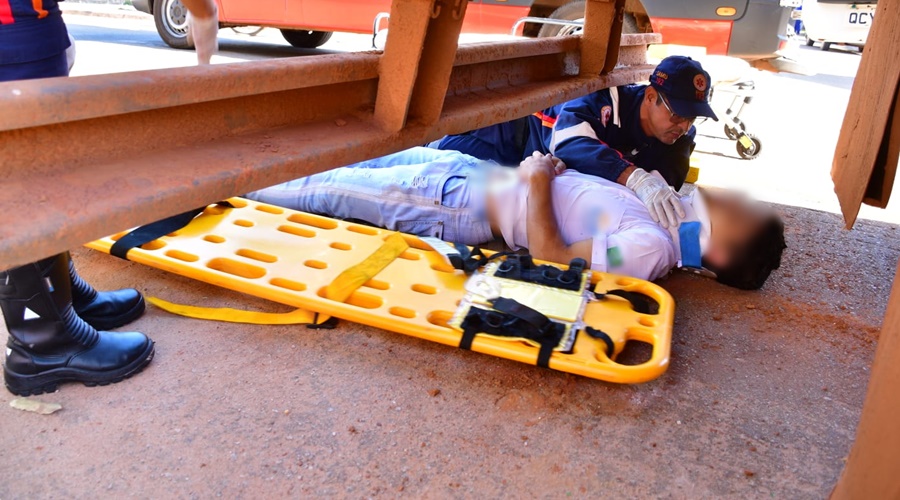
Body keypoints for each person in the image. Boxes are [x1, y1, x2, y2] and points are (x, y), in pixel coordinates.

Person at [0, 0, 218, 396]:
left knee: (37, 179)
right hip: (11, 26)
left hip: (24, 22)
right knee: (19, 184)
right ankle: (42, 343)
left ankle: (59, 300)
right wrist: (203, 11)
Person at [246, 147, 785, 290]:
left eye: (740, 214)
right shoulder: (662, 213)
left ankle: (213, 191)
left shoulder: (649, 248)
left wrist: (538, 180)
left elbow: (553, 258)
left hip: (458, 204)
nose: (735, 199)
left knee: (317, 188)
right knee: (346, 164)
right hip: (470, 174)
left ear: (717, 253)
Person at [433, 56, 719, 229]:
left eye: (693, 118)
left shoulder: (679, 136)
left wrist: (645, 185)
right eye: (678, 115)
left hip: (535, 176)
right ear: (650, 97)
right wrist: (633, 177)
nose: (684, 126)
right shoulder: (605, 97)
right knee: (435, 179)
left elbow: (660, 189)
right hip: (500, 141)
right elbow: (569, 142)